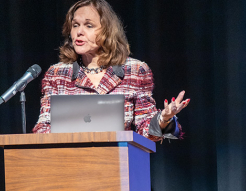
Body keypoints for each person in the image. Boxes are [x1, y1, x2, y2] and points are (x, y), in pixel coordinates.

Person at [32, 0, 190, 142]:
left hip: (116, 163)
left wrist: (163, 118)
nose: (79, 32)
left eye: (89, 25)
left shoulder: (134, 71)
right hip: (67, 163)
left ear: (106, 31)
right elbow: (43, 128)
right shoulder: (57, 74)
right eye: (75, 25)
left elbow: (144, 128)